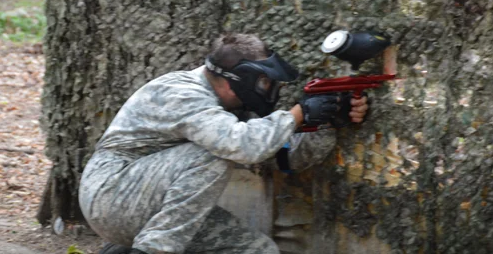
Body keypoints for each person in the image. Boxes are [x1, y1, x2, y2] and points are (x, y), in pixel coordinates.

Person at [79, 33, 369, 254]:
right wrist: (298, 113)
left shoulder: (229, 110)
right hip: (110, 195)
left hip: (147, 206)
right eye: (267, 83)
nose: (271, 91)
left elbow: (284, 155)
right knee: (208, 155)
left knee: (257, 250)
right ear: (241, 78)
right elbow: (241, 144)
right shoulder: (181, 93)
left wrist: (327, 121)